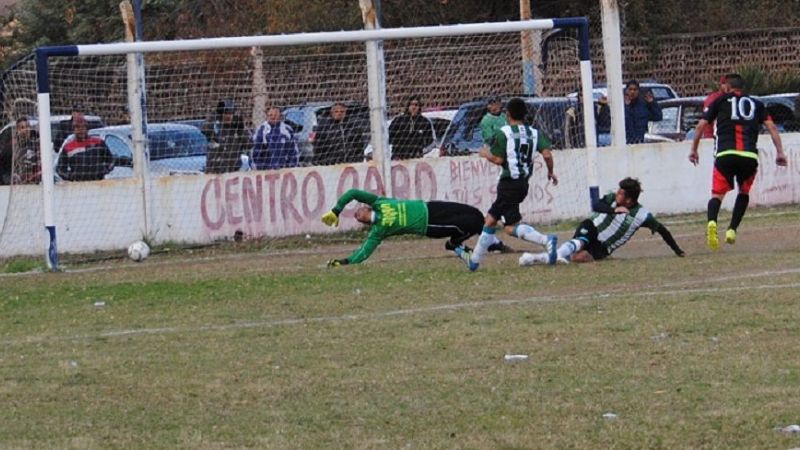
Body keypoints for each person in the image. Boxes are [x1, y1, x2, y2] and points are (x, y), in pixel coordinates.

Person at [456, 97, 558, 272]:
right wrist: (550, 171)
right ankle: (474, 261)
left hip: (508, 183)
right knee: (493, 221)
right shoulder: (534, 133)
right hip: (523, 184)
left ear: (508, 114)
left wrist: (485, 154)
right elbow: (547, 154)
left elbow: (498, 159)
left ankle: (545, 240)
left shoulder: (504, 133)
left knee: (507, 226)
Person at [688, 73, 788, 250]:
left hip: (725, 154)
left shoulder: (719, 101)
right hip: (749, 156)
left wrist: (694, 149)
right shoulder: (757, 103)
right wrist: (780, 152)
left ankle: (712, 222)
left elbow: (701, 125)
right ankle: (732, 230)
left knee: (717, 195)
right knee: (743, 192)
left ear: (727, 87)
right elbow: (772, 127)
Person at [519, 177, 685, 265]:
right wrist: (614, 210)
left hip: (603, 248)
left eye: (620, 193)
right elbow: (597, 205)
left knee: (579, 258)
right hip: (591, 229)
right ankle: (540, 258)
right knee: (584, 235)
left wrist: (678, 251)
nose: (616, 194)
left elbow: (663, 231)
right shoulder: (612, 199)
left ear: (629, 200)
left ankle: (541, 258)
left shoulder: (642, 215)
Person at [321, 188, 484, 266]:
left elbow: (353, 193)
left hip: (430, 207)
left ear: (366, 207)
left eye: (358, 210)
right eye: (356, 218)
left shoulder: (379, 202)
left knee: (474, 213)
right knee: (469, 224)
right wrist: (344, 262)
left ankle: (489, 240)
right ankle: (458, 247)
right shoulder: (378, 231)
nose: (356, 215)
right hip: (428, 225)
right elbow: (364, 252)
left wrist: (336, 210)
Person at [56, 111, 114, 181]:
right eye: (77, 128)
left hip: (98, 182)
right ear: (74, 130)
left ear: (87, 128)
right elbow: (60, 169)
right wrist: (70, 176)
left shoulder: (98, 142)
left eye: (83, 127)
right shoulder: (68, 147)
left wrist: (103, 171)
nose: (81, 130)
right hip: (78, 184)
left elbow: (111, 160)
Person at [202, 99, 250, 174]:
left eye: (230, 113)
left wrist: (241, 129)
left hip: (233, 170)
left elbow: (249, 144)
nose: (228, 116)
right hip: (215, 171)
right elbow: (205, 129)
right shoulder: (216, 128)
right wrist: (215, 114)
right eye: (225, 113)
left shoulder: (237, 128)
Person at [624, 79, 662, 144]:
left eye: (635, 90)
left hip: (641, 140)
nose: (632, 92)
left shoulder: (643, 105)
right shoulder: (621, 106)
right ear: (626, 91)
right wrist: (627, 107)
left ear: (638, 91)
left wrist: (652, 103)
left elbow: (658, 116)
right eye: (630, 89)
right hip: (626, 141)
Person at [11, 117, 41, 184]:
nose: (26, 129)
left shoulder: (37, 142)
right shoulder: (14, 145)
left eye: (27, 126)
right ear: (18, 130)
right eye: (22, 127)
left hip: (36, 180)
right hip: (20, 181)